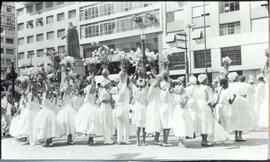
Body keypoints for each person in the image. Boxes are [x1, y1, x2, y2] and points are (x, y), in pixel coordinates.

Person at [228, 72, 252, 142]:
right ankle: (240, 136)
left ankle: (236, 136)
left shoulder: (229, 85)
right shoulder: (240, 84)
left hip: (232, 103)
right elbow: (244, 95)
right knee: (241, 118)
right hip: (240, 102)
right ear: (236, 78)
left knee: (235, 119)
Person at [76, 76, 100, 145]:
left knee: (91, 122)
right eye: (94, 81)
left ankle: (90, 139)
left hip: (89, 105)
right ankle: (90, 139)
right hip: (90, 105)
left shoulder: (87, 88)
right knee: (92, 122)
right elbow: (91, 92)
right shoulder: (90, 88)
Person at [195, 74, 215, 146]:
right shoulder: (206, 88)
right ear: (204, 80)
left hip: (198, 105)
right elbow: (208, 99)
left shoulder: (197, 88)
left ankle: (203, 139)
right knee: (206, 122)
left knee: (201, 122)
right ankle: (205, 140)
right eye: (207, 79)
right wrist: (211, 106)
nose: (208, 80)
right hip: (204, 105)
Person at [115, 71, 132, 145]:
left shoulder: (118, 85)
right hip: (124, 107)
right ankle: (126, 139)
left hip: (118, 107)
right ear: (125, 77)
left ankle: (119, 140)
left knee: (119, 125)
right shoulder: (125, 85)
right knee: (126, 125)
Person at [145, 75, 162, 145]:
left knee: (158, 123)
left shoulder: (159, 89)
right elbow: (148, 98)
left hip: (158, 106)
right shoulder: (151, 88)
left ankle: (156, 139)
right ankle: (153, 139)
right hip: (153, 106)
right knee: (153, 122)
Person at [132, 77, 148, 146]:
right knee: (143, 125)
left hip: (138, 107)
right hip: (143, 107)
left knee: (139, 125)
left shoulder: (135, 90)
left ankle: (138, 141)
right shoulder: (145, 90)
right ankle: (143, 141)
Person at [99, 78, 114, 144]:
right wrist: (109, 100)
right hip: (105, 107)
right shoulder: (103, 91)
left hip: (108, 107)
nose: (110, 85)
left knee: (109, 123)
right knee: (105, 123)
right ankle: (106, 139)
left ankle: (109, 138)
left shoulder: (108, 91)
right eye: (109, 84)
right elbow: (102, 100)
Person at [159, 79, 173, 147]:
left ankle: (164, 140)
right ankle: (165, 141)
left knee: (164, 126)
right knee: (167, 125)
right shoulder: (167, 92)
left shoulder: (161, 92)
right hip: (167, 108)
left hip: (162, 108)